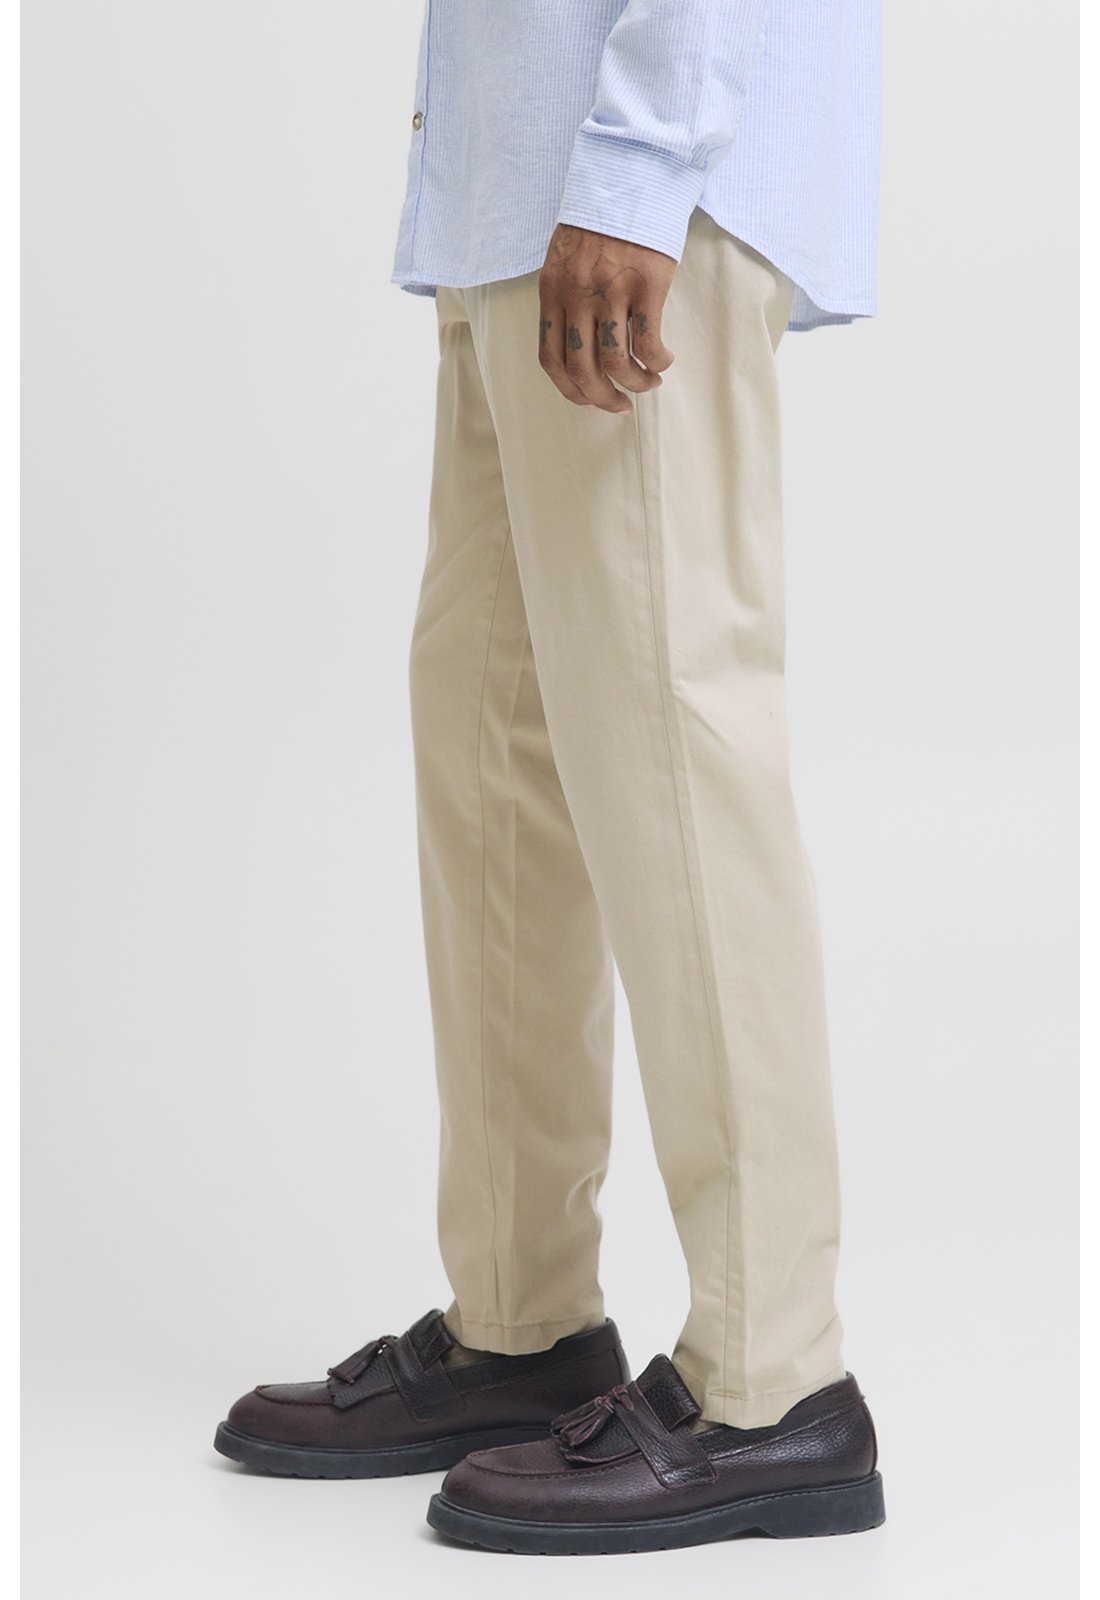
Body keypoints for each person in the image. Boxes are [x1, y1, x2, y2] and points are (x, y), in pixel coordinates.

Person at [215, 0, 885, 1555]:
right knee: (492, 754)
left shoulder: (637, 174)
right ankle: (522, 1325)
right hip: (517, 194)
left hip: (634, 185)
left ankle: (774, 1377)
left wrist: (638, 162)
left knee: (674, 753)